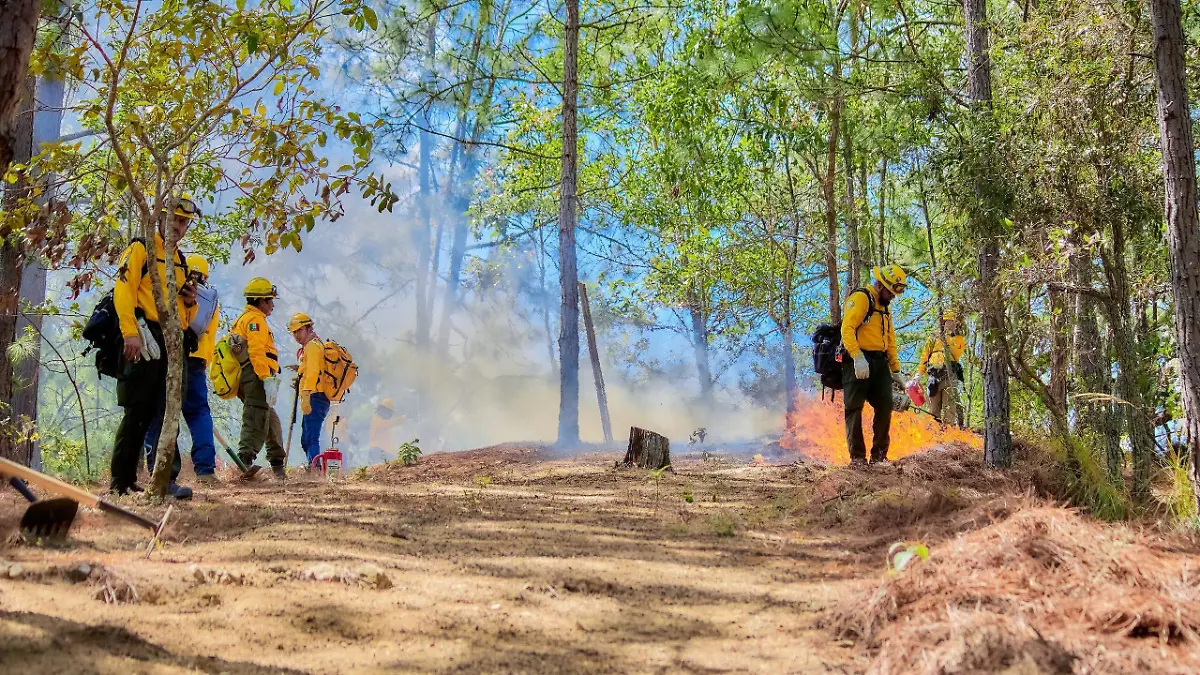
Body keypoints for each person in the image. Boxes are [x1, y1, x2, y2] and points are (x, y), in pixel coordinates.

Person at [109, 196, 199, 497]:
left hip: (171, 343)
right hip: (143, 336)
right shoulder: (140, 248)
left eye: (184, 221)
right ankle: (121, 483)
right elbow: (123, 290)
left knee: (167, 411)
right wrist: (129, 333)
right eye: (172, 218)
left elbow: (184, 319)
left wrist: (189, 302)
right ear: (159, 218)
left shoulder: (180, 260)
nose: (177, 226)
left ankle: (164, 481)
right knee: (137, 412)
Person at [145, 254, 221, 485]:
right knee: (199, 414)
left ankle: (162, 470)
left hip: (174, 357)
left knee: (164, 413)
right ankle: (205, 469)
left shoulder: (175, 294)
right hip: (197, 361)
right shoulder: (211, 300)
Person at [841, 264, 909, 466]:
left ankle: (879, 456)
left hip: (879, 363)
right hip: (857, 361)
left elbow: (890, 340)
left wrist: (896, 370)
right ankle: (858, 458)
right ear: (880, 285)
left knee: (885, 404)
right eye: (891, 292)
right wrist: (857, 357)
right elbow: (847, 329)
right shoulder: (861, 298)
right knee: (854, 408)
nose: (893, 297)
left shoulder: (885, 308)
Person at [232, 278, 286, 480]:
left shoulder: (247, 318)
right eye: (270, 300)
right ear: (260, 300)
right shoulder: (255, 320)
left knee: (270, 421)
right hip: (255, 376)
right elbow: (256, 352)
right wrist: (266, 379)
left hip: (256, 376)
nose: (272, 304)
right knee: (255, 418)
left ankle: (278, 467)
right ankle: (243, 463)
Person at [288, 313, 333, 466]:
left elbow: (313, 372)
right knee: (306, 438)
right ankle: (313, 467)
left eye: (299, 330)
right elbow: (310, 371)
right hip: (312, 395)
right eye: (294, 332)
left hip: (316, 396)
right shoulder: (309, 347)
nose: (296, 335)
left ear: (308, 328)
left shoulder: (313, 346)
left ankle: (316, 470)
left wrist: (306, 392)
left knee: (311, 437)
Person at [914, 310, 967, 427]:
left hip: (949, 376)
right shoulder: (933, 338)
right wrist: (919, 374)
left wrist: (947, 338)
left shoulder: (959, 340)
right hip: (934, 377)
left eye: (953, 322)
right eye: (948, 321)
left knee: (949, 409)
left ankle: (949, 435)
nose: (950, 324)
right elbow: (924, 357)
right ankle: (934, 434)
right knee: (933, 410)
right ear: (943, 322)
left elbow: (957, 353)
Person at [367, 398, 404, 464]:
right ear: (383, 410)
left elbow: (390, 442)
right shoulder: (377, 420)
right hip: (378, 450)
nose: (390, 415)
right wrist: (403, 418)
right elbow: (388, 424)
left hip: (387, 452)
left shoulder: (385, 423)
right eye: (389, 412)